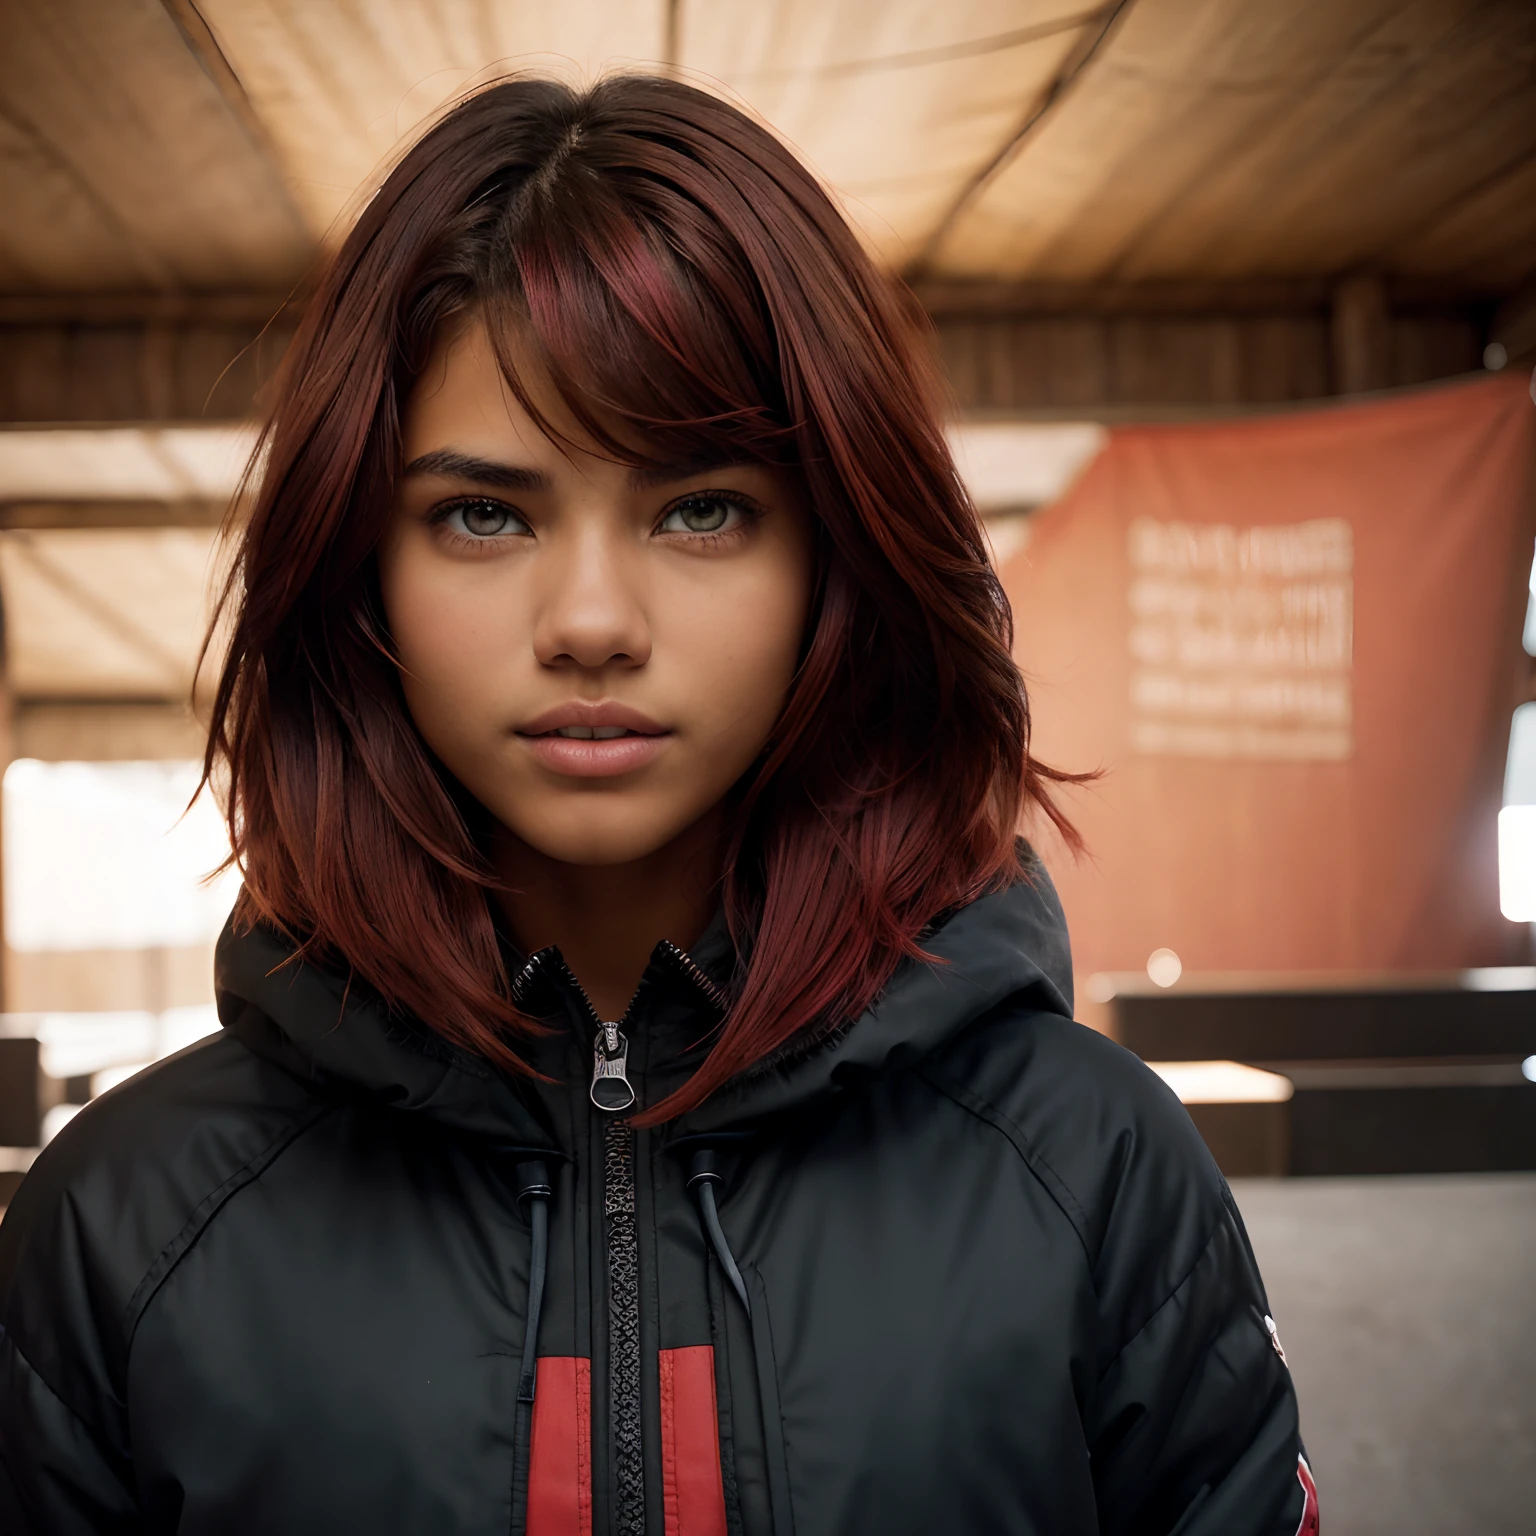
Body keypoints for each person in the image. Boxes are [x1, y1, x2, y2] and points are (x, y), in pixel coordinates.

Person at [0, 75, 1317, 1536]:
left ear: (839, 562)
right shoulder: (122, 1227)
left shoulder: (1099, 1172)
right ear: (358, 569)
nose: (591, 620)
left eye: (702, 507)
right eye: (482, 514)